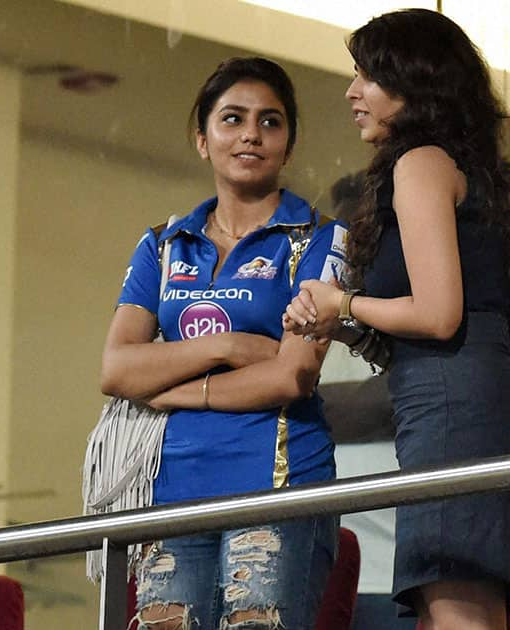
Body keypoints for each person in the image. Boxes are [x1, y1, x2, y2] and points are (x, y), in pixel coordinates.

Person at [283, 9, 510, 628]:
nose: (352, 93)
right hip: (465, 398)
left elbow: (439, 316)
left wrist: (341, 303)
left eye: (367, 77)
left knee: (456, 607)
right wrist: (350, 326)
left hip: (454, 410)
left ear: (415, 83)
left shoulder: (420, 163)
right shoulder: (469, 167)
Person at [100, 57, 345, 629]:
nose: (251, 135)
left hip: (278, 485)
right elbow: (116, 369)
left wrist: (173, 390)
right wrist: (230, 347)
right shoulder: (162, 244)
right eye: (232, 119)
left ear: (289, 144)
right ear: (202, 139)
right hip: (171, 490)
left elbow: (290, 376)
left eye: (270, 122)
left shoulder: (322, 236)